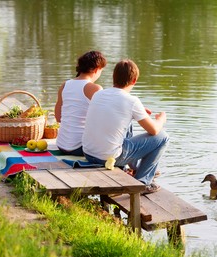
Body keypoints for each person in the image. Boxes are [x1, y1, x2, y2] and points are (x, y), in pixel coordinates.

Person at [82, 59, 169, 193]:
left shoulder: (98, 94)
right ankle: (143, 182)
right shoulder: (132, 101)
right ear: (134, 81)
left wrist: (137, 113)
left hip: (89, 153)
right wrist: (161, 119)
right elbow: (155, 130)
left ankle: (134, 167)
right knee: (163, 137)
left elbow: (112, 114)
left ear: (113, 77)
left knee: (125, 122)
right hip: (108, 158)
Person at [55, 50, 107, 156]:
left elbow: (58, 117)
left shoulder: (65, 85)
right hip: (80, 147)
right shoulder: (95, 88)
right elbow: (105, 120)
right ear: (97, 69)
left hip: (61, 145)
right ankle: (124, 165)